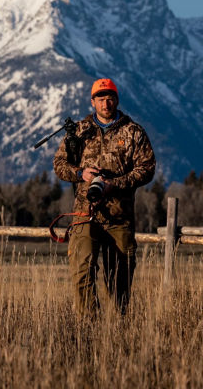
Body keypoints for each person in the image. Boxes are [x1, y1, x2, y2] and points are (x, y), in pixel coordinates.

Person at [53, 78, 155, 315]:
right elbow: (59, 165)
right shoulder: (78, 132)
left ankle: (117, 331)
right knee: (82, 270)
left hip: (120, 215)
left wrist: (115, 184)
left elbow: (147, 168)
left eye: (110, 98)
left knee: (120, 277)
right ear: (93, 102)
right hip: (84, 213)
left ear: (117, 100)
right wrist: (81, 173)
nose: (106, 103)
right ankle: (89, 328)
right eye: (100, 99)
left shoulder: (133, 132)